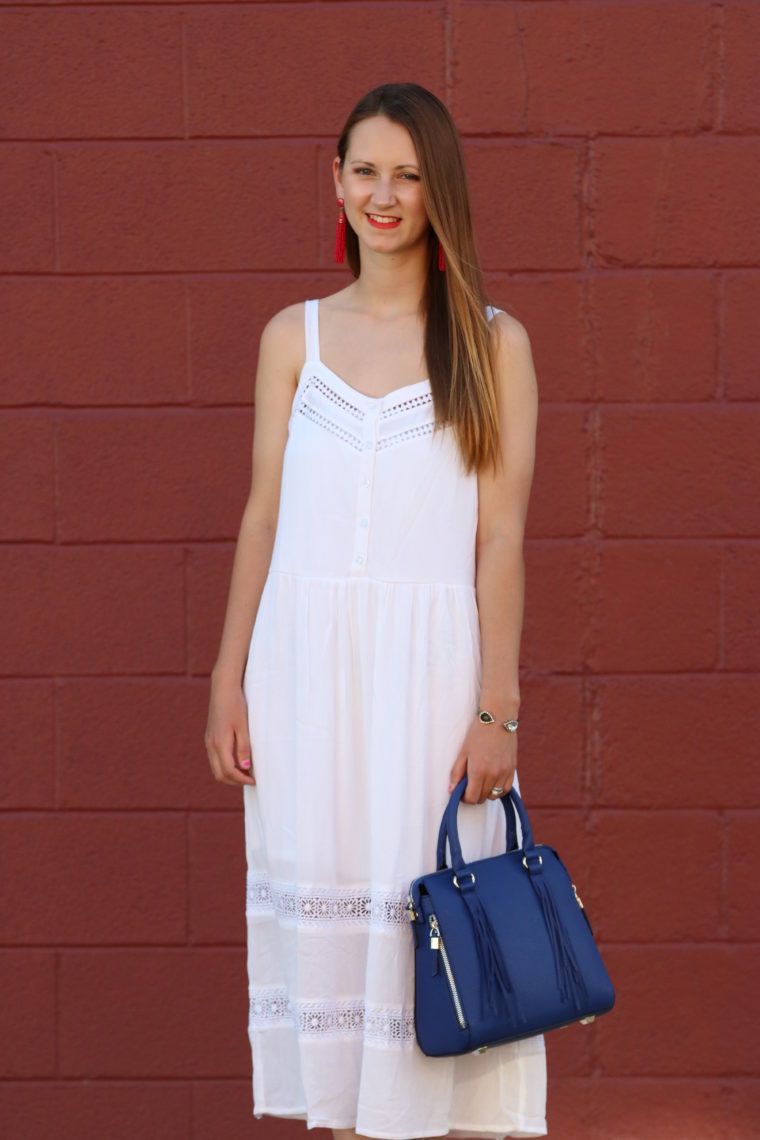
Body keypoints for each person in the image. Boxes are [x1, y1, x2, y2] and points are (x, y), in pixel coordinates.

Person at [205, 82, 546, 1139]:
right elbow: (263, 516)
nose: (383, 195)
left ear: (437, 188)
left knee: (433, 944)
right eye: (364, 171)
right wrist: (226, 680)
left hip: (433, 685)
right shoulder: (292, 338)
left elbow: (500, 539)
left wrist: (499, 705)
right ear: (336, 180)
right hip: (303, 682)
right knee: (338, 985)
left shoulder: (494, 344)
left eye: (406, 174)